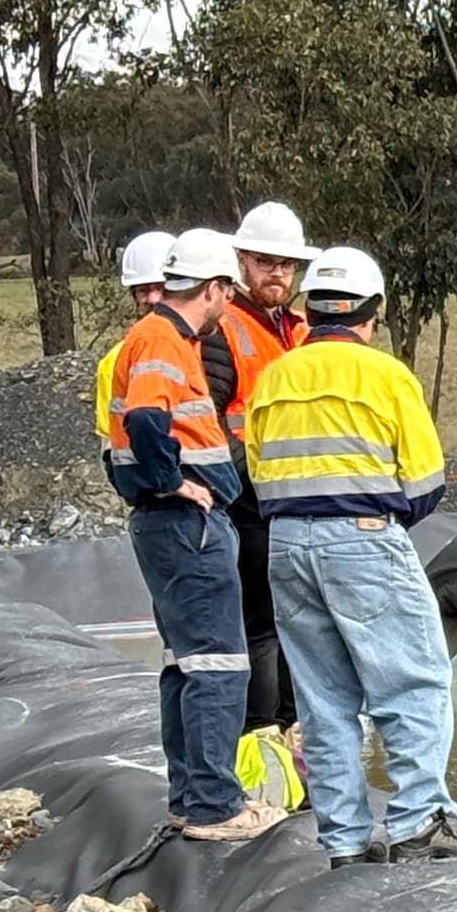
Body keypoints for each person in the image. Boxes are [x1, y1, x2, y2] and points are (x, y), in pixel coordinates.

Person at [247, 246, 457, 864]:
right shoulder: (386, 376)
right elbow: (426, 483)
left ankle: (345, 839)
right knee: (415, 682)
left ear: (311, 311)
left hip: (286, 545)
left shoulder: (275, 376)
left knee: (323, 700)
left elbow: (256, 472)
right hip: (362, 536)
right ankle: (415, 821)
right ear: (372, 313)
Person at [109, 228, 277, 842]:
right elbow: (149, 419)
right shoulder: (163, 341)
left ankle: (189, 796)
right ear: (213, 288)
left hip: (168, 525)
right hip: (185, 524)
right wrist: (173, 482)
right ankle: (214, 804)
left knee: (187, 662)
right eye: (226, 294)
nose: (227, 305)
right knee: (219, 662)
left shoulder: (152, 336)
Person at [202, 202, 311, 736]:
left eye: (287, 265)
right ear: (242, 261)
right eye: (267, 262)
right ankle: (262, 739)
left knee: (301, 625)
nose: (278, 274)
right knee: (263, 626)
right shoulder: (225, 327)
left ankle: (293, 736)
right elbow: (212, 419)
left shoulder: (297, 327)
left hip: (296, 498)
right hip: (251, 502)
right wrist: (240, 485)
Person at [89, 229, 173, 451]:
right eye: (143, 291)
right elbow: (111, 446)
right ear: (133, 296)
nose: (153, 299)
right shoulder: (114, 362)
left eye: (161, 288)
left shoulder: (209, 346)